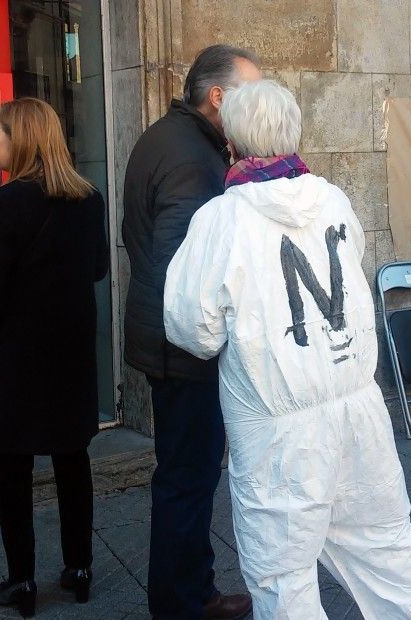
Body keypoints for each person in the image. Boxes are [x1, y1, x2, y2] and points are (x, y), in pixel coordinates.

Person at [164, 80, 411, 619]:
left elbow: (192, 330)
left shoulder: (221, 220)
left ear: (232, 140)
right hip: (358, 414)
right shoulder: (333, 199)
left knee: (284, 581)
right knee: (390, 558)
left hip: (279, 433)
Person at [122, 44, 260, 619]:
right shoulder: (188, 156)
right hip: (184, 348)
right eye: (250, 90)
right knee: (187, 479)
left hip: (172, 343)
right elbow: (185, 265)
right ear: (218, 96)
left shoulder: (178, 140)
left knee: (190, 475)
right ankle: (181, 605)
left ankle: (194, 591)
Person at [0, 98, 110, 618]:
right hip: (67, 351)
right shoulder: (89, 198)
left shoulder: (5, 205)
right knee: (73, 460)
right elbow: (97, 269)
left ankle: (22, 582)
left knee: (14, 468)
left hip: (14, 356)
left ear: (20, 139)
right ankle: (80, 569)